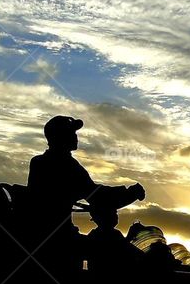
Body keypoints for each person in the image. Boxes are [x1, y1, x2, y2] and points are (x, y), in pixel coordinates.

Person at [26, 116, 145, 274]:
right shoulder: (68, 166)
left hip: (37, 237)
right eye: (71, 133)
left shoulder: (38, 162)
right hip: (58, 241)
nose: (75, 136)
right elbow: (98, 196)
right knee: (111, 247)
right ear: (59, 136)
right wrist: (131, 193)